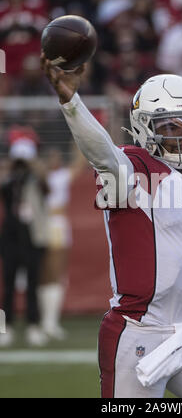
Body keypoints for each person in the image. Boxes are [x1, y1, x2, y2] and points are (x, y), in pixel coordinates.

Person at [41, 54, 182, 398]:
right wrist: (71, 102)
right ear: (145, 127)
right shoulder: (133, 169)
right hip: (138, 334)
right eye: (171, 126)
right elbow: (100, 153)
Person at [0, 128, 49, 347]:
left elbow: (46, 186)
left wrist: (33, 165)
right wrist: (10, 167)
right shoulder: (9, 178)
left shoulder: (36, 178)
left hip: (32, 236)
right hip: (10, 236)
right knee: (7, 284)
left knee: (32, 284)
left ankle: (34, 326)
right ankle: (5, 327)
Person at [38, 146, 86, 340]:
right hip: (48, 224)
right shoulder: (44, 178)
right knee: (47, 274)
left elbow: (79, 163)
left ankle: (49, 321)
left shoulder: (59, 176)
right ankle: (46, 321)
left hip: (56, 225)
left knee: (55, 274)